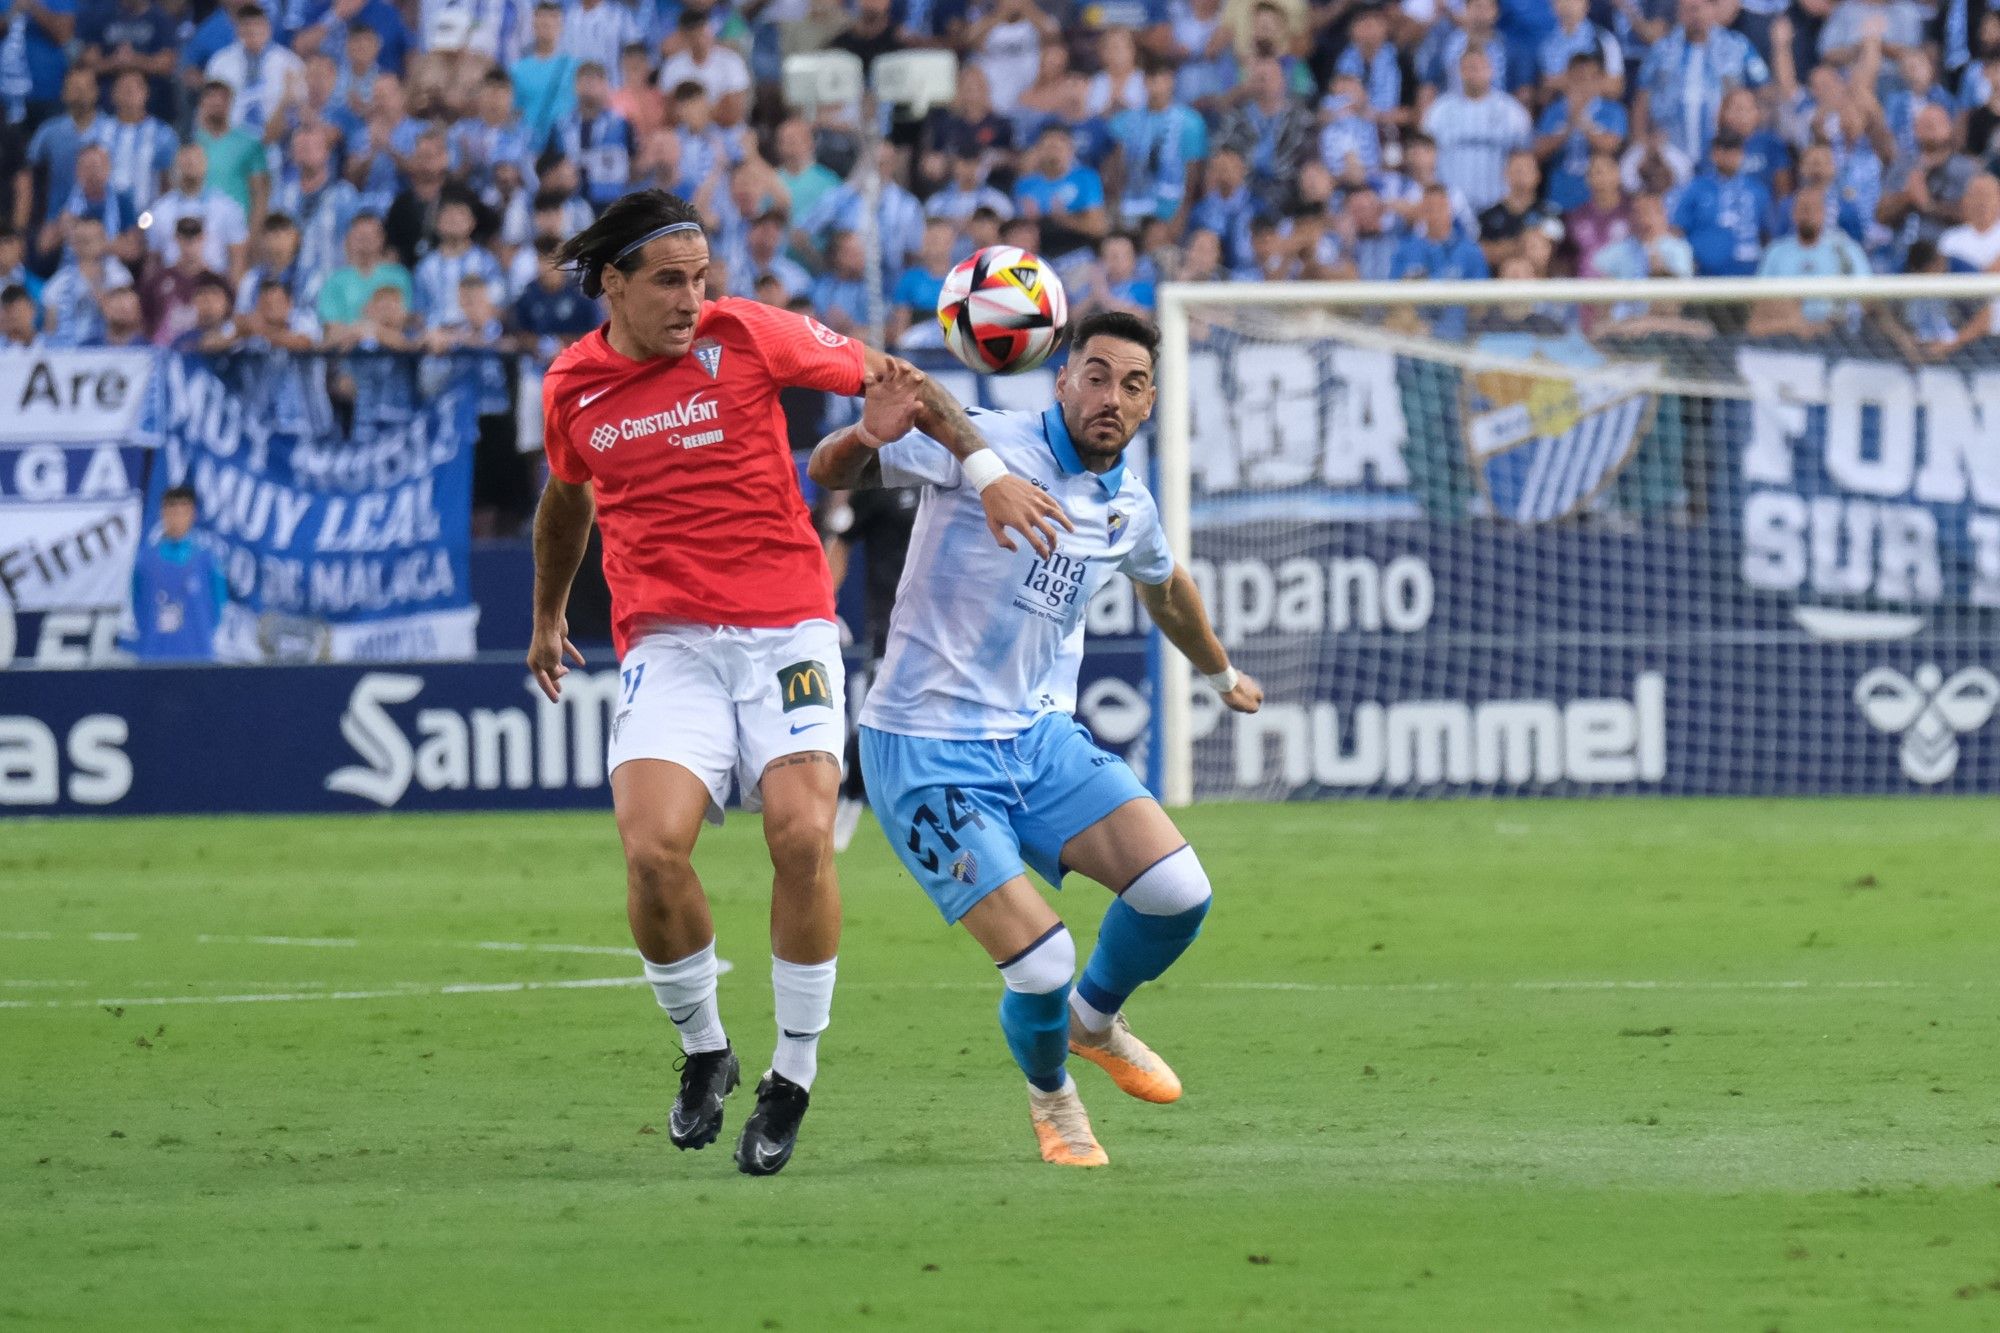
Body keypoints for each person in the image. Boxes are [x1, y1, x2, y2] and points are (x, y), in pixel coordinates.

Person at [530, 188, 1069, 1176]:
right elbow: (567, 499)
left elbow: (901, 383)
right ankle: (705, 1051)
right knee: (651, 853)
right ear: (610, 283)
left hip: (786, 631)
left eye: (700, 278)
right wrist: (546, 613)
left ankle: (791, 1070)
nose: (691, 298)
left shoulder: (750, 335)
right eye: (667, 282)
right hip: (669, 642)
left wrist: (986, 468)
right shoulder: (571, 387)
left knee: (800, 832)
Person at [808, 311, 1263, 1168]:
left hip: (1036, 739)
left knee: (1178, 891)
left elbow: (1166, 590)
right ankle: (1053, 1097)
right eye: (1096, 375)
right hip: (925, 747)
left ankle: (1096, 1020)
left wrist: (1218, 675)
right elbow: (835, 467)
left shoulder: (1126, 500)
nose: (1111, 397)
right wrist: (863, 435)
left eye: (1132, 385)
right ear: (1061, 378)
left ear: (1151, 401)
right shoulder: (982, 440)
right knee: (1041, 961)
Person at [129, 484, 227, 662]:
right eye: (171, 510)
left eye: (183, 511)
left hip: (198, 659)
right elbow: (137, 606)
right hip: (154, 659)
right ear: (163, 513)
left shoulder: (208, 561)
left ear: (192, 514)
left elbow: (218, 607)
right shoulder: (144, 560)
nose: (177, 518)